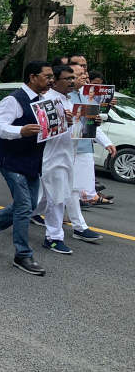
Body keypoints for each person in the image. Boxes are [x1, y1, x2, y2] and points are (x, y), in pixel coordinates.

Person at [0, 61, 53, 276]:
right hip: (11, 159)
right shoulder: (14, 100)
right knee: (25, 206)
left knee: (28, 204)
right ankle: (22, 254)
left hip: (32, 160)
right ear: (32, 77)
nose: (50, 80)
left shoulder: (43, 101)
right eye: (47, 76)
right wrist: (21, 131)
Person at [37, 65, 102, 254]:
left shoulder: (67, 101)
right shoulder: (47, 100)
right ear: (55, 81)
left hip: (68, 156)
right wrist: (63, 121)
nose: (72, 82)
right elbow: (44, 132)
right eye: (67, 79)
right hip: (52, 157)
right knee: (56, 199)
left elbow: (78, 132)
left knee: (43, 200)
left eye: (73, 79)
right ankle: (54, 238)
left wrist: (91, 123)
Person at [68, 59, 115, 205]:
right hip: (66, 149)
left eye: (85, 72)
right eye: (80, 73)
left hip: (82, 146)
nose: (85, 76)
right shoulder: (63, 95)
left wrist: (106, 142)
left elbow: (89, 123)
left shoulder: (85, 95)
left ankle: (78, 225)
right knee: (60, 189)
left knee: (74, 190)